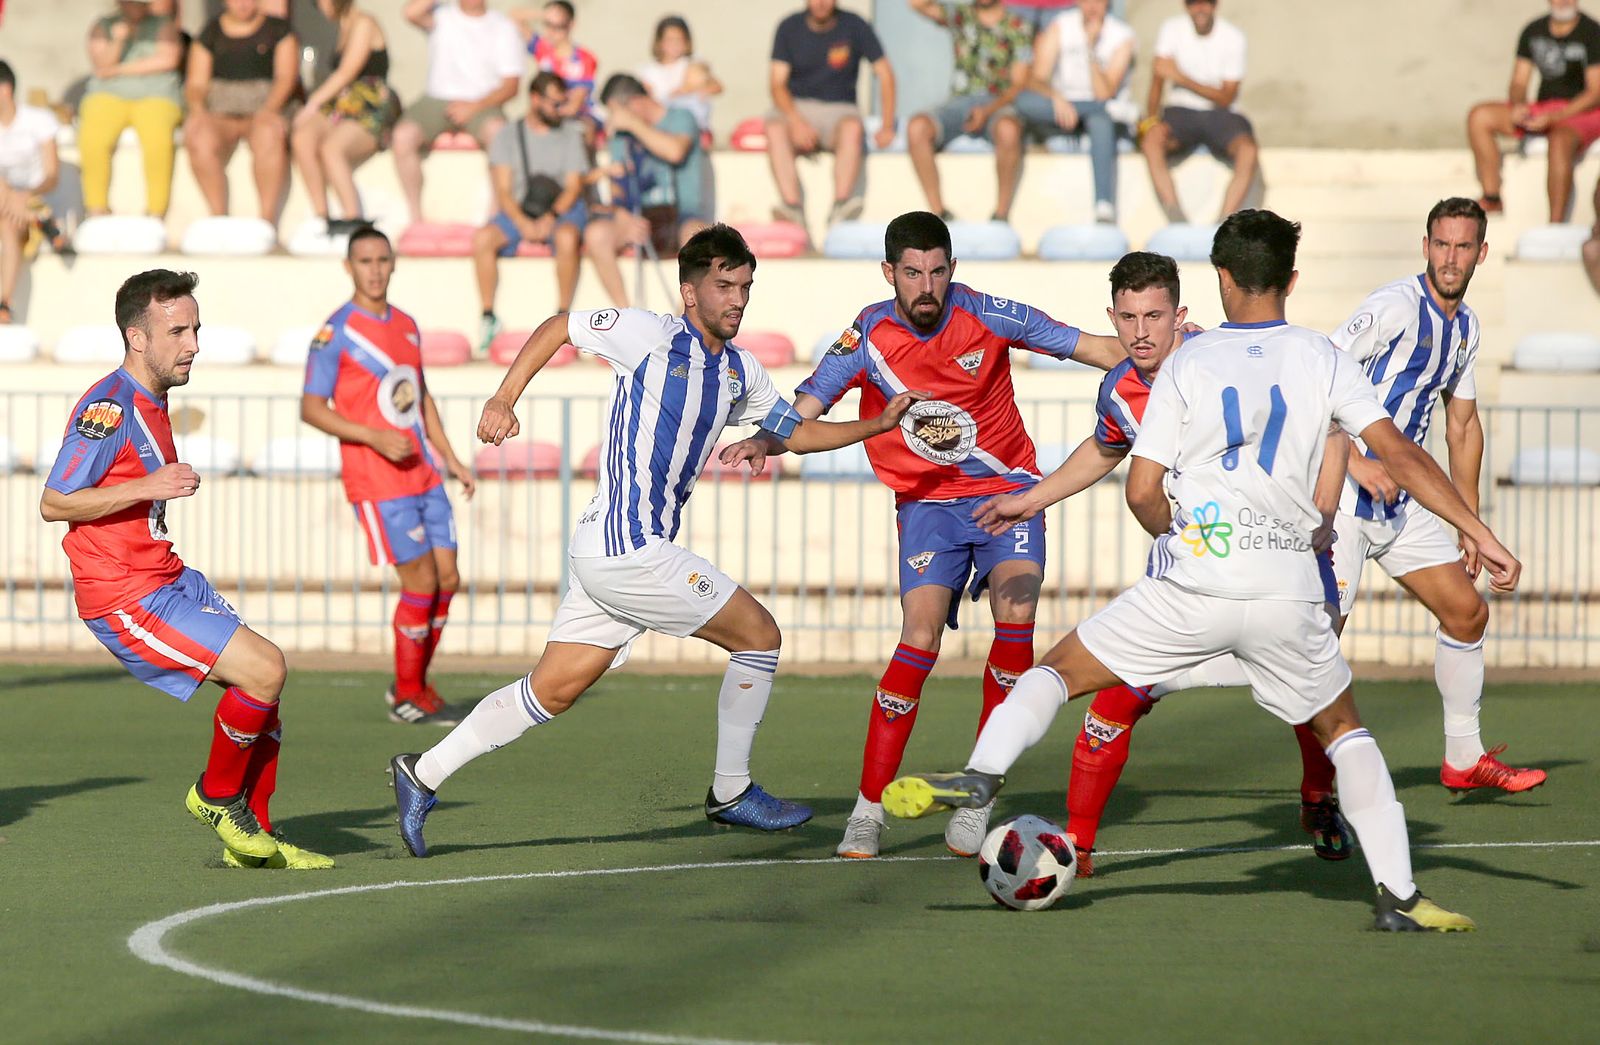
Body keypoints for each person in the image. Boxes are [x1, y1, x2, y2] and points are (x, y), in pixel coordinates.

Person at [884, 209, 1527, 932]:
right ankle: (1399, 897)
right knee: (1345, 730)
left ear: (1220, 279)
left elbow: (1137, 486)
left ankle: (984, 770)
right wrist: (1478, 530)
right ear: (1289, 278)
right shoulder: (1324, 357)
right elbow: (1403, 456)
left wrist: (1186, 536)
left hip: (1194, 580)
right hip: (1288, 587)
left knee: (1059, 672)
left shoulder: (1187, 362)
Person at [388, 224, 929, 857]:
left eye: (745, 287)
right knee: (760, 636)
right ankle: (731, 791)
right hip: (629, 548)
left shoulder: (739, 371)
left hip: (606, 552)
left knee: (552, 690)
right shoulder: (648, 334)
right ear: (690, 290)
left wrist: (875, 424)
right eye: (724, 286)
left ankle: (420, 774)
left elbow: (793, 432)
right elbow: (561, 323)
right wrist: (504, 398)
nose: (737, 299)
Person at [720, 211, 1133, 860]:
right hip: (928, 506)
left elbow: (1097, 348)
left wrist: (1184, 351)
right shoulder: (868, 334)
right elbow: (807, 404)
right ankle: (867, 809)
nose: (927, 286)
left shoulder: (989, 314)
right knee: (919, 636)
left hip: (1010, 494)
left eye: (938, 271)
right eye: (912, 272)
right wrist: (765, 439)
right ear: (889, 273)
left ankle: (980, 793)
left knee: (1016, 615)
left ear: (952, 270)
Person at [976, 251, 1353, 877]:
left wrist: (1324, 512)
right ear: (1112, 318)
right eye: (1127, 318)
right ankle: (1078, 848)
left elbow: (1336, 432)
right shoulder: (1120, 387)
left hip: (1279, 561)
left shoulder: (1223, 356)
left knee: (1315, 696)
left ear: (1181, 315)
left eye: (1154, 316)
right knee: (1117, 698)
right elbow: (1105, 449)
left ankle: (1319, 802)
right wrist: (1029, 499)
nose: (1141, 332)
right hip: (1191, 577)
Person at [39, 269, 332, 869]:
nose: (194, 343)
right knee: (266, 670)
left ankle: (258, 841)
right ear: (136, 338)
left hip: (165, 577)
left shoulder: (155, 399)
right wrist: (149, 484)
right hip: (125, 595)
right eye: (178, 331)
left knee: (265, 691)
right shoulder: (109, 409)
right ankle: (217, 797)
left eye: (196, 328)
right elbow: (55, 501)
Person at [1327, 198, 1546, 793]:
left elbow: (1463, 425)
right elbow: (1317, 374)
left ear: (1481, 253)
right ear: (1425, 246)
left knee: (1468, 611)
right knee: (1316, 641)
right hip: (1341, 501)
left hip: (1401, 508)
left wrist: (1468, 524)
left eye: (1463, 247)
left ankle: (1464, 759)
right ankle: (1318, 787)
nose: (1451, 258)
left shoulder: (1466, 326)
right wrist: (1353, 459)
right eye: (1442, 245)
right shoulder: (1393, 306)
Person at [301, 226, 477, 725]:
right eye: (364, 261)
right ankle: (405, 693)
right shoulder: (336, 332)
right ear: (349, 267)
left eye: (382, 260)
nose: (374, 270)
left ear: (394, 262)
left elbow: (418, 397)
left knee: (448, 579)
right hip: (377, 479)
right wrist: (373, 437)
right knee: (420, 581)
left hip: (423, 471)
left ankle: (418, 687)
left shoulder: (406, 324)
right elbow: (311, 407)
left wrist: (451, 458)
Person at [473, 72, 627, 353]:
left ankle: (562, 317)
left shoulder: (570, 134)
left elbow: (572, 187)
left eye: (562, 102)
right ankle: (487, 316)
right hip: (520, 209)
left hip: (561, 211)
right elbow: (503, 190)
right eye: (554, 103)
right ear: (535, 99)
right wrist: (522, 222)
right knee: (483, 239)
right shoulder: (508, 135)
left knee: (568, 238)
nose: (560, 109)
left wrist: (549, 218)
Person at [391, 1, 525, 228]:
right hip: (436, 99)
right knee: (402, 136)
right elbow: (410, 12)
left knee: (499, 134)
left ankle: (494, 215)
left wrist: (474, 107)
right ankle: (416, 218)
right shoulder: (441, 15)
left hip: (483, 102)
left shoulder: (503, 27)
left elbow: (511, 86)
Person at [766, 0, 898, 228]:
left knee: (853, 128)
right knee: (773, 128)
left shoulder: (855, 25)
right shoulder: (788, 27)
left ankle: (841, 207)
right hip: (797, 107)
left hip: (841, 110)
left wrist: (887, 126)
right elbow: (777, 84)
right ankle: (792, 209)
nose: (821, 3)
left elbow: (885, 73)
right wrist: (796, 122)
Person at [1467, 1, 1600, 221]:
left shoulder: (1592, 32)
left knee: (1560, 140)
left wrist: (1556, 117)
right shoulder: (1533, 30)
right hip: (1544, 107)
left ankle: (1554, 225)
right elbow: (1519, 82)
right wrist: (1519, 105)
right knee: (1479, 116)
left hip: (1583, 111)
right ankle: (1492, 197)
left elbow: (1595, 92)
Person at [905, 0, 1035, 224]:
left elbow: (1019, 84)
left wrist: (987, 111)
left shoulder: (1018, 25)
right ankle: (939, 214)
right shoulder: (960, 15)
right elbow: (917, 4)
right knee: (917, 127)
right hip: (958, 103)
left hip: (998, 104)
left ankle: (1001, 216)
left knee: (1009, 130)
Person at [1014, 0, 1136, 224]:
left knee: (1101, 119)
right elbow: (1036, 79)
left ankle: (1103, 205)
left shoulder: (1121, 35)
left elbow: (1103, 94)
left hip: (1103, 113)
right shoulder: (1061, 25)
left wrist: (1089, 48)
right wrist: (1056, 97)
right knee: (1023, 101)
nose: (1092, 7)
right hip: (1064, 111)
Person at [1140, 0, 1259, 224]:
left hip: (1221, 114)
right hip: (1180, 112)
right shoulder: (1171, 28)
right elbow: (1158, 78)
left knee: (1248, 150)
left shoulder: (1233, 37)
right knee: (1151, 140)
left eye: (1206, 3)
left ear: (1216, 5)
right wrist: (1151, 120)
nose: (1200, 8)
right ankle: (1176, 219)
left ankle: (1223, 223)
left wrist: (1181, 77)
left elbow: (1227, 97)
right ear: (1186, 6)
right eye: (1193, 3)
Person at [183, 0, 299, 224]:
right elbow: (196, 84)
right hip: (221, 113)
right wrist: (198, 111)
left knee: (269, 134)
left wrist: (269, 110)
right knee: (198, 136)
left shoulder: (279, 30)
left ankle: (267, 221)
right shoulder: (210, 32)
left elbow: (286, 78)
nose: (243, 4)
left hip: (264, 110)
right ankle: (219, 218)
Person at [291, 0, 396, 233]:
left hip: (368, 106)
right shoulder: (342, 27)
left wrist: (312, 104)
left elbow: (347, 72)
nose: (321, 8)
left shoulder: (364, 22)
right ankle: (321, 216)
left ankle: (353, 218)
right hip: (341, 106)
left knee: (332, 149)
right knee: (302, 138)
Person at [79, 0, 184, 218]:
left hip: (156, 95)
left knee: (158, 142)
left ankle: (156, 212)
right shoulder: (104, 26)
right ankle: (96, 208)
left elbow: (168, 59)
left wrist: (118, 70)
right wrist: (118, 39)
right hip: (109, 95)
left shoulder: (163, 25)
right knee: (92, 138)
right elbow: (101, 65)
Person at [600, 73, 713, 254]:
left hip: (683, 218)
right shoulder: (621, 135)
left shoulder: (681, 117)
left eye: (615, 112)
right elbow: (617, 182)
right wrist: (623, 218)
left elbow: (675, 152)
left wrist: (633, 124)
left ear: (635, 102)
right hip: (641, 218)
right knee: (598, 236)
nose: (613, 119)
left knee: (695, 237)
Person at [0, 59, 62, 324]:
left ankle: (4, 302)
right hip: (14, 206)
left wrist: (23, 195)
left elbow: (51, 175)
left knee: (7, 226)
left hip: (28, 203)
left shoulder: (38, 120)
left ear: (5, 89)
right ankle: (3, 304)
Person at [515, 1, 599, 132]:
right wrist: (543, 14)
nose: (551, 32)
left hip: (575, 119)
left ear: (571, 25)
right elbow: (514, 17)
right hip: (546, 116)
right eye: (548, 24)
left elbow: (574, 106)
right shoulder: (542, 48)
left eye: (558, 26)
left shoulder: (585, 59)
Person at [635, 15, 722, 133]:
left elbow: (716, 87)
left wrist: (689, 88)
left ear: (687, 42)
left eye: (679, 40)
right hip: (663, 130)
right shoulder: (648, 71)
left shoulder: (693, 63)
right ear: (659, 42)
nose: (675, 44)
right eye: (669, 40)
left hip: (696, 127)